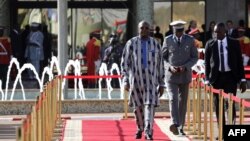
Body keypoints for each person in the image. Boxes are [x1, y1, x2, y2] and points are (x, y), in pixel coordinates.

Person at [121, 21, 165, 140]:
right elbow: (125, 63)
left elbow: (160, 65)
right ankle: (140, 128)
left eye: (147, 28)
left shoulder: (155, 44)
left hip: (151, 82)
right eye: (142, 28)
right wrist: (125, 80)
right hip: (135, 81)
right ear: (138, 29)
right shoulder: (131, 43)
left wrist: (162, 83)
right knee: (138, 107)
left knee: (149, 105)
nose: (144, 30)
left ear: (150, 29)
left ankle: (148, 131)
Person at [204, 22, 247, 140]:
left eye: (219, 32)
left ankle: (231, 132)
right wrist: (207, 80)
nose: (216, 34)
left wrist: (242, 79)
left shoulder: (234, 43)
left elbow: (239, 62)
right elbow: (207, 64)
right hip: (216, 79)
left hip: (230, 78)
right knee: (219, 106)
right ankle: (222, 132)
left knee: (231, 105)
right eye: (215, 32)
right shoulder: (210, 44)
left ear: (225, 32)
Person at [162, 20, 198, 136]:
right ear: (173, 30)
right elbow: (163, 58)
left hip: (184, 75)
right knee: (173, 99)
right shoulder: (167, 40)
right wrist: (169, 67)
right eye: (177, 31)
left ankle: (181, 126)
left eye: (181, 30)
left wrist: (186, 67)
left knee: (183, 101)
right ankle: (175, 123)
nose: (179, 33)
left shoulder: (190, 40)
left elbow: (194, 57)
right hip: (171, 76)